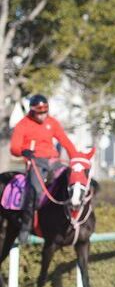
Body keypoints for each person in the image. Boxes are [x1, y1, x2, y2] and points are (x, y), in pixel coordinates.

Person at [10, 94, 78, 244]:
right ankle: (25, 227)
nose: (42, 116)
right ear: (32, 111)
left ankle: (72, 219)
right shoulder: (23, 124)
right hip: (35, 161)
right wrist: (23, 151)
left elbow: (64, 140)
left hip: (53, 160)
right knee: (34, 190)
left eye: (45, 112)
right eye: (39, 113)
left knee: (70, 181)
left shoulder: (52, 122)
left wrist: (75, 157)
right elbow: (14, 147)